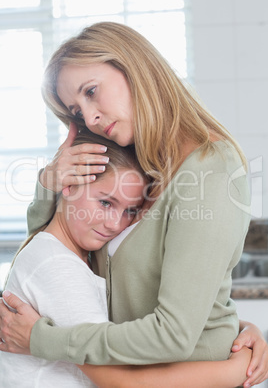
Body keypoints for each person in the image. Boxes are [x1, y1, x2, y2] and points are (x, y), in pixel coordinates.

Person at [0, 22, 268, 388]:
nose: (90, 117)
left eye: (92, 92)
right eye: (77, 111)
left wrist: (42, 339)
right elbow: (56, 258)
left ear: (132, 67)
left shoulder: (211, 168)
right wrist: (50, 184)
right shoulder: (137, 166)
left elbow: (175, 333)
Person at [0, 127, 252, 388]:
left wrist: (242, 329)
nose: (114, 224)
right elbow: (120, 380)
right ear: (68, 185)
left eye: (130, 210)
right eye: (106, 203)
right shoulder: (59, 268)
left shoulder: (80, 255)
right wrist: (238, 367)